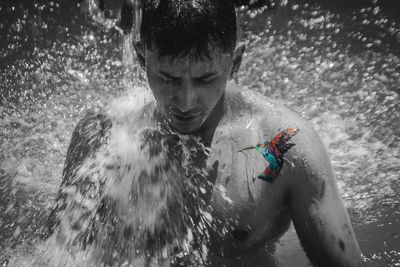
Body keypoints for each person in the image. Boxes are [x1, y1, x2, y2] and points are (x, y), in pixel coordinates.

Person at [48, 0, 364, 266]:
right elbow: (59, 253)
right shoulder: (104, 131)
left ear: (235, 62)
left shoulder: (289, 145)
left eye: (206, 79)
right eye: (169, 79)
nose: (186, 102)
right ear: (142, 57)